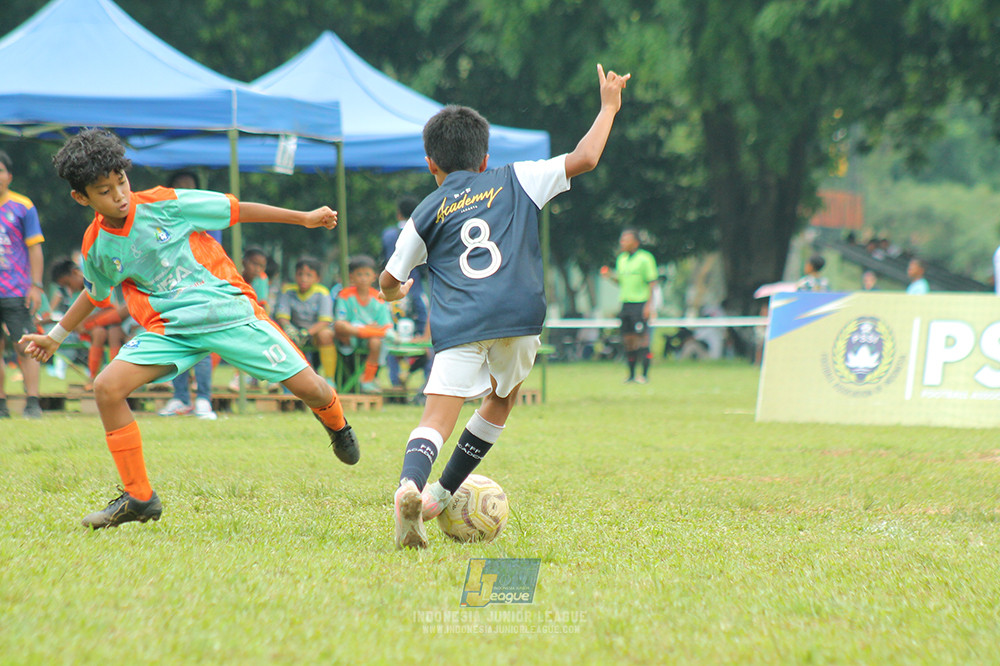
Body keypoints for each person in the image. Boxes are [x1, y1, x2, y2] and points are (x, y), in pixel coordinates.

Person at [21, 128, 359, 529]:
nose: (120, 195)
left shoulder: (165, 203)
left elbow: (237, 209)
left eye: (122, 182)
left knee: (313, 389)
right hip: (173, 330)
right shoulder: (97, 245)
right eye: (104, 191)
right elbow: (94, 294)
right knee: (106, 388)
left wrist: (303, 218)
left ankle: (337, 424)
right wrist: (55, 337)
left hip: (228, 313)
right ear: (82, 198)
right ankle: (139, 497)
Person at [380, 63, 630, 549]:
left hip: (462, 322)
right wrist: (608, 107)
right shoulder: (518, 177)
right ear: (485, 158)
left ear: (431, 164)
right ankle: (437, 498)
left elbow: (389, 281)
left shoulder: (425, 212)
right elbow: (585, 157)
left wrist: (396, 293)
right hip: (520, 315)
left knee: (436, 420)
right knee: (501, 398)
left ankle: (411, 485)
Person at [159, 170, 217, 420]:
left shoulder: (207, 215)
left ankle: (203, 398)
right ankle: (181, 397)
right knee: (176, 342)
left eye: (190, 187)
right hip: (173, 287)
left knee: (201, 343)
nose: (186, 191)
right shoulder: (163, 217)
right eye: (181, 186)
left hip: (201, 285)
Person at [0, 150, 45, 419]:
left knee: (25, 346)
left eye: (0, 170)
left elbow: (35, 247)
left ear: (9, 176)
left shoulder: (23, 206)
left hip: (16, 290)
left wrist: (36, 286)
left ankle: (33, 402)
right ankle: (1, 405)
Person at [601, 229, 659, 384]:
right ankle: (631, 375)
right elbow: (621, 282)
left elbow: (652, 283)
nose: (622, 243)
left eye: (626, 240)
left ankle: (644, 375)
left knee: (643, 340)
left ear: (635, 242)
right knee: (628, 341)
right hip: (626, 304)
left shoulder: (645, 258)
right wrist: (609, 276)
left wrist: (649, 306)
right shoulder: (622, 259)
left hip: (640, 303)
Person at [334, 255, 392, 394]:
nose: (363, 278)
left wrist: (367, 331)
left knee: (375, 342)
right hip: (349, 338)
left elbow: (387, 326)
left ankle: (368, 379)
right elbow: (341, 322)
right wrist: (367, 329)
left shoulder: (379, 297)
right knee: (340, 326)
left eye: (367, 274)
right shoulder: (345, 295)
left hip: (370, 340)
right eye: (359, 274)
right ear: (351, 277)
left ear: (374, 276)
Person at [275, 257, 338, 385]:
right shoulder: (287, 291)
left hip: (314, 333)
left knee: (325, 334)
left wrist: (306, 333)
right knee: (280, 335)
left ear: (317, 278)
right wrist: (289, 328)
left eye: (309, 275)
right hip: (293, 332)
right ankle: (278, 379)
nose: (303, 279)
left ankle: (329, 378)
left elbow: (325, 321)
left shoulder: (322, 293)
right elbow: (282, 316)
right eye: (300, 274)